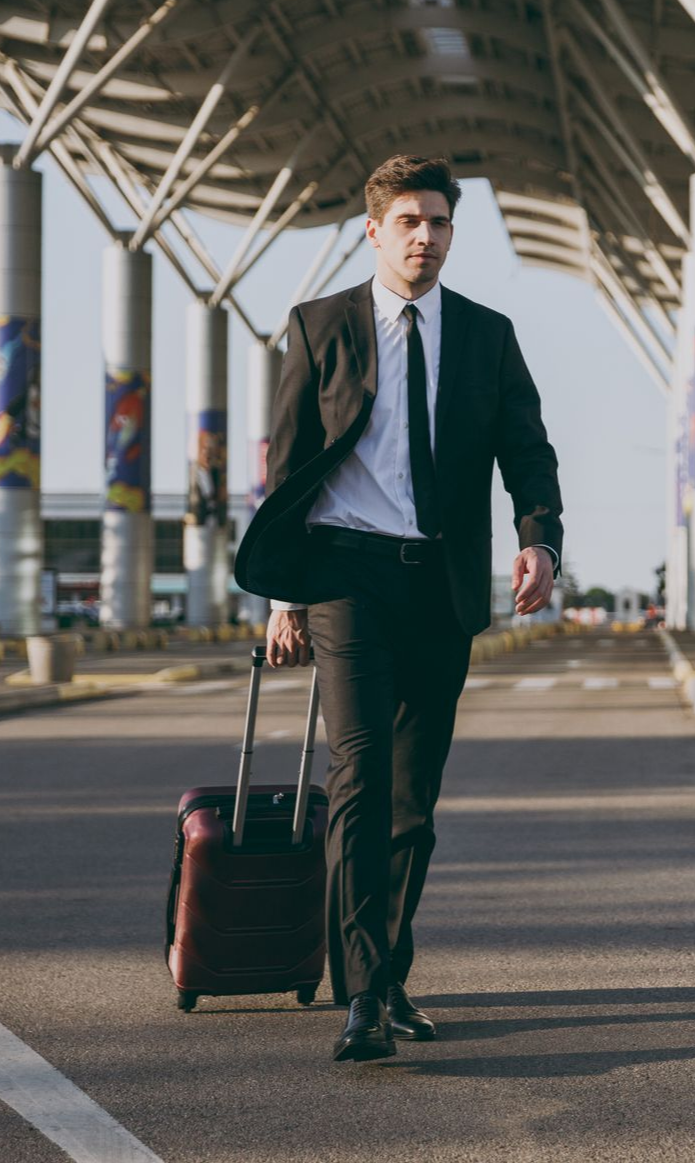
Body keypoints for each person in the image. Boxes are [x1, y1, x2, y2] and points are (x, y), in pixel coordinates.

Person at [234, 154, 563, 1062]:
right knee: (360, 778)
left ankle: (390, 978)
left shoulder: (488, 337)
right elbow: (289, 465)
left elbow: (529, 450)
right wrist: (285, 593)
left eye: (440, 222)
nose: (426, 237)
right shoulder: (319, 326)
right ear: (374, 231)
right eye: (409, 222)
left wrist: (539, 538)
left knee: (414, 802)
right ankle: (364, 996)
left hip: (441, 581)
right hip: (345, 578)